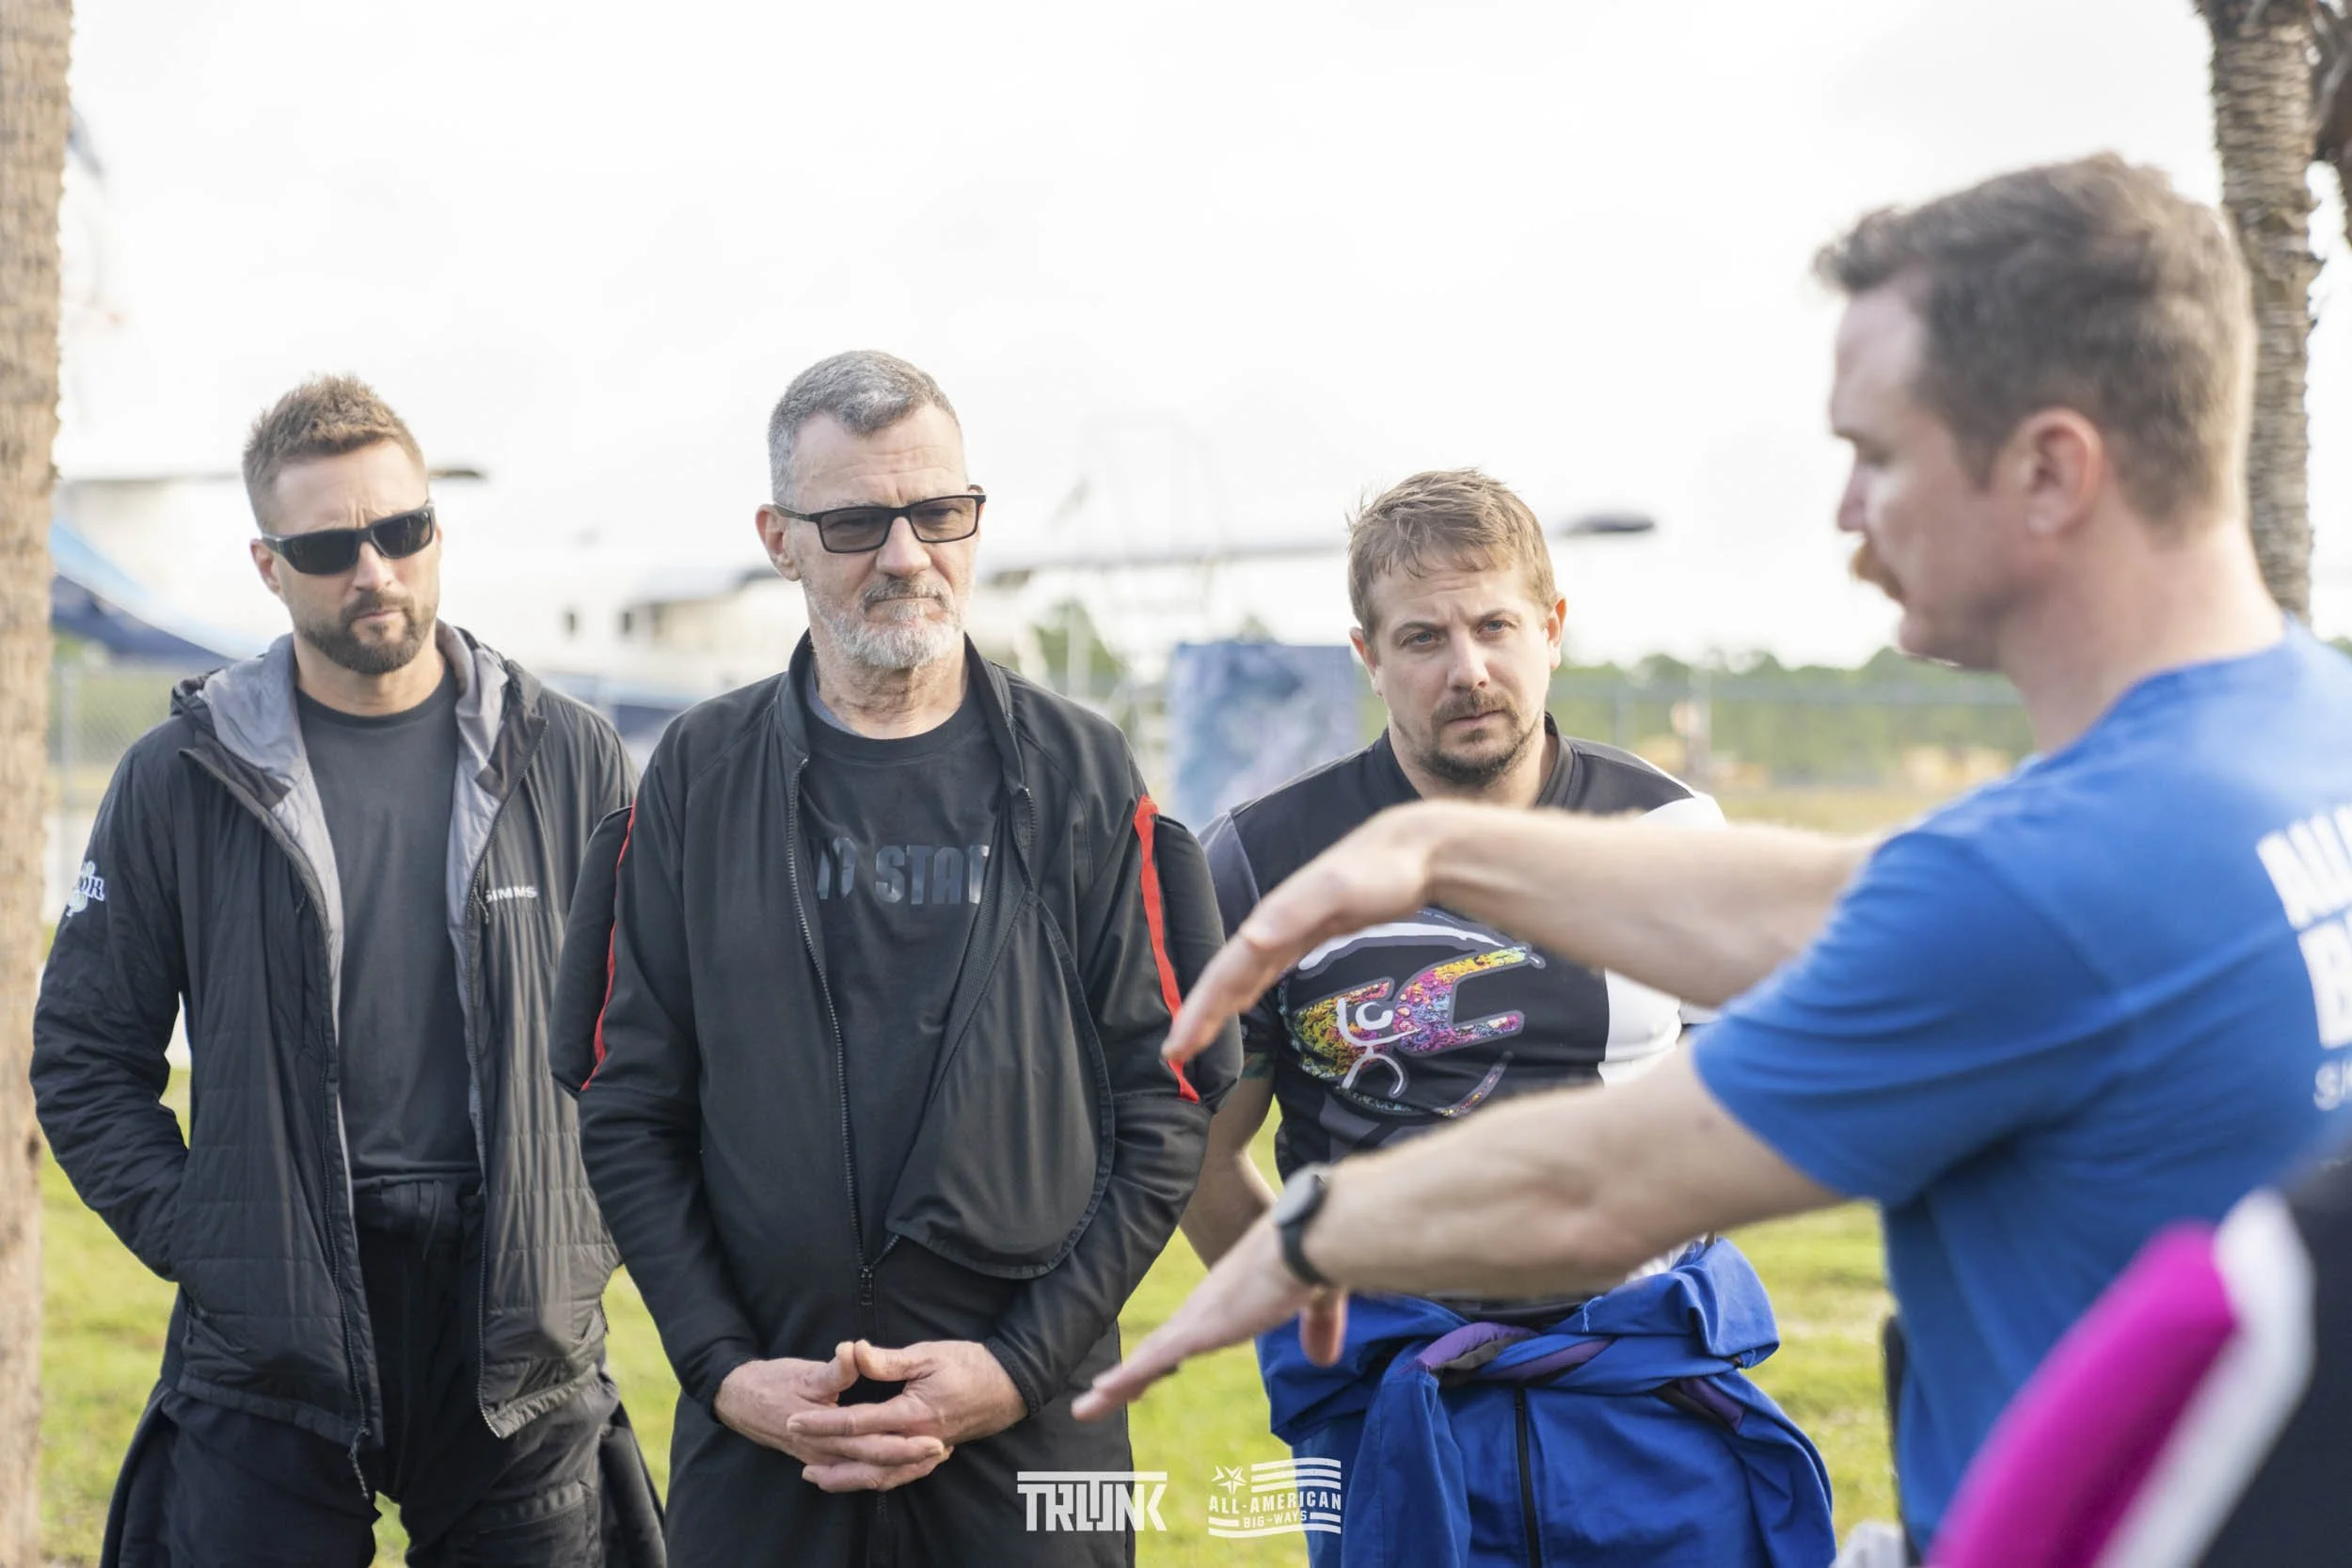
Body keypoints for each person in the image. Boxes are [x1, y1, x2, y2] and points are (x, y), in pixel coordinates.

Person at [1074, 153, 2352, 1562]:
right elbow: (1867, 900)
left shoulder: (2049, 883)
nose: (1848, 511)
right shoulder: (2308, 734)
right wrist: (1444, 843)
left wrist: (1310, 1238)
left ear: (2050, 469)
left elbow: (1597, 1190)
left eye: (1879, 453)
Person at [572, 350, 1240, 1567]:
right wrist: (722, 1368)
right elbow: (626, 1104)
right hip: (771, 1441)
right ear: (779, 539)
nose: (904, 554)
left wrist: (1019, 1363)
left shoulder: (1085, 775)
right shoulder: (694, 783)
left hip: (1038, 1447)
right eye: (854, 522)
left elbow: (1167, 1098)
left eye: (939, 512)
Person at [32, 376, 660, 1567]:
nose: (374, 569)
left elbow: (660, 1036)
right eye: (328, 546)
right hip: (272, 1327)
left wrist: (580, 1235)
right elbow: (83, 1056)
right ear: (269, 565)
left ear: (436, 531)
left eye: (401, 530)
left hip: (513, 1329)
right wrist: (212, 1238)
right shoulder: (181, 775)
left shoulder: (570, 756)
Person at [1183, 467, 1831, 1567]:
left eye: (1494, 625)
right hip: (1398, 1403)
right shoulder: (1262, 858)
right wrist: (1308, 1315)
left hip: (1642, 1387)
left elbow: (1743, 1111)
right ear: (1368, 654)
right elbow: (1202, 1152)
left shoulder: (1669, 833)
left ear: (1553, 627)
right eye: (1422, 637)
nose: (1467, 669)